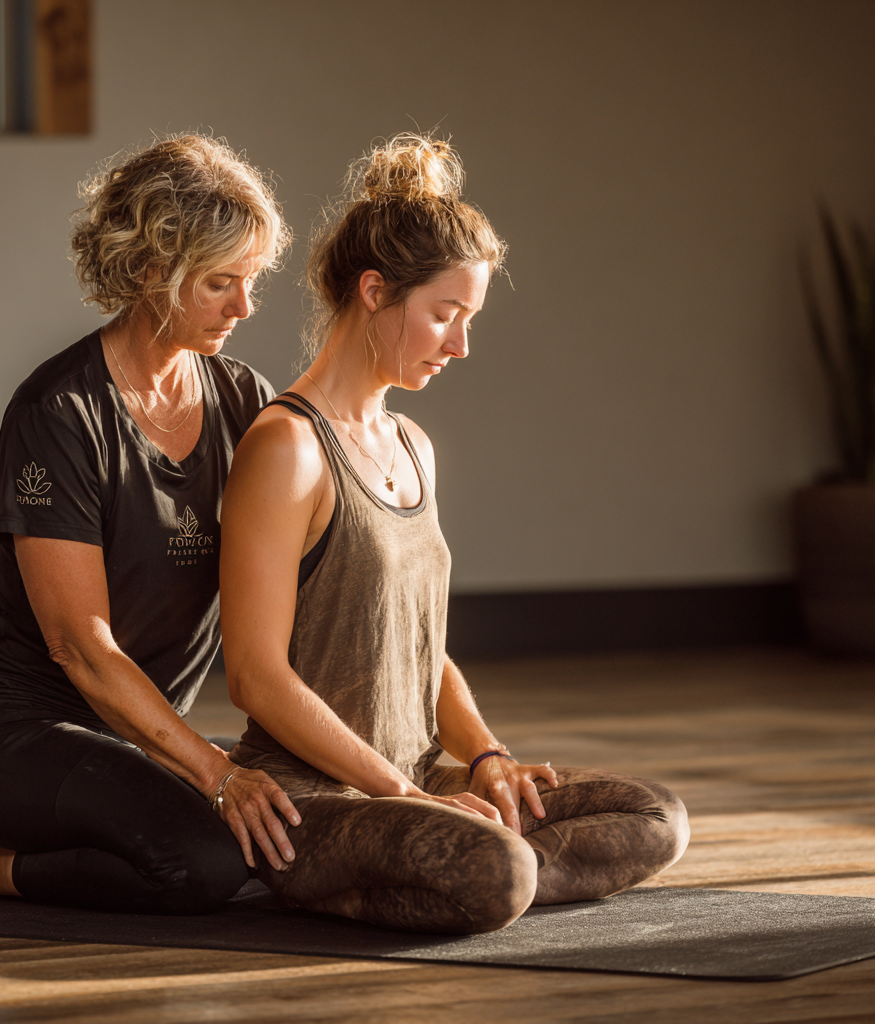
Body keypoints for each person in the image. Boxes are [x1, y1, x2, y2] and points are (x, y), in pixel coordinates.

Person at [219, 134, 691, 935]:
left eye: (468, 319)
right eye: (445, 315)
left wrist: (487, 758)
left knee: (655, 816)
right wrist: (401, 797)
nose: (460, 344)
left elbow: (419, 644)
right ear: (374, 291)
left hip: (413, 782)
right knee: (498, 868)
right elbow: (255, 678)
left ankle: (454, 870)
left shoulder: (413, 445)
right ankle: (439, 871)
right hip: (313, 802)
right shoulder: (285, 446)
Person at [0, 135, 303, 913]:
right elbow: (82, 646)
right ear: (149, 270)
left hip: (130, 742)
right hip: (9, 734)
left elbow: (305, 579)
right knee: (205, 864)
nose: (243, 308)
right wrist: (216, 772)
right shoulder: (60, 413)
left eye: (251, 283)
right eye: (219, 284)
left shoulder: (244, 401)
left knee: (284, 837)